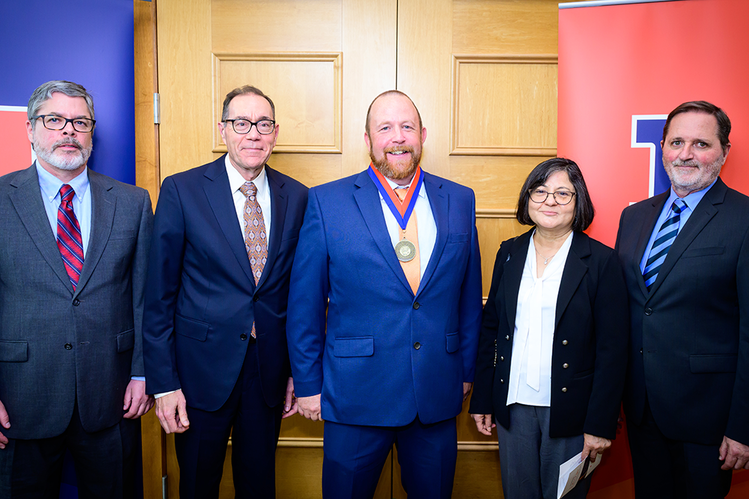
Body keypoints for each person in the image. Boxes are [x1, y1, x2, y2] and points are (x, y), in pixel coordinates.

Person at [286, 90, 483, 499]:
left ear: (423, 135)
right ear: (368, 138)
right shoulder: (327, 201)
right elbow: (304, 303)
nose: (398, 137)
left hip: (435, 391)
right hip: (355, 394)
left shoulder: (460, 200)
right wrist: (307, 383)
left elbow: (468, 296)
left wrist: (465, 371)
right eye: (386, 128)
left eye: (407, 127)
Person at [143, 85, 308, 498]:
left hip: (266, 371)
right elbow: (158, 295)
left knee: (259, 485)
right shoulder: (182, 190)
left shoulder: (299, 197)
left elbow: (297, 295)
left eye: (264, 124)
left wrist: (294, 372)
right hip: (198, 374)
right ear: (223, 130)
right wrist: (164, 384)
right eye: (242, 123)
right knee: (198, 484)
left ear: (274, 133)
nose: (254, 133)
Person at [0, 80, 154, 497]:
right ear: (31, 129)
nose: (68, 130)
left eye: (80, 122)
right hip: (21, 398)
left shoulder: (133, 202)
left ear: (91, 132)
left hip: (111, 394)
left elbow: (144, 297)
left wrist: (142, 372)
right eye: (55, 120)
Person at [469, 158, 629, 499]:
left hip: (572, 412)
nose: (550, 201)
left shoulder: (601, 261)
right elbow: (491, 330)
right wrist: (482, 398)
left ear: (579, 201)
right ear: (528, 199)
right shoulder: (509, 253)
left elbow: (613, 351)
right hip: (514, 407)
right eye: (540, 192)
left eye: (562, 193)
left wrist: (600, 424)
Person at [615, 100, 749, 498]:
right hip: (641, 410)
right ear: (662, 148)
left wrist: (743, 427)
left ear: (724, 152)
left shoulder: (744, 218)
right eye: (676, 142)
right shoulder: (635, 216)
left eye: (701, 144)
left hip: (709, 419)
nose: (686, 154)